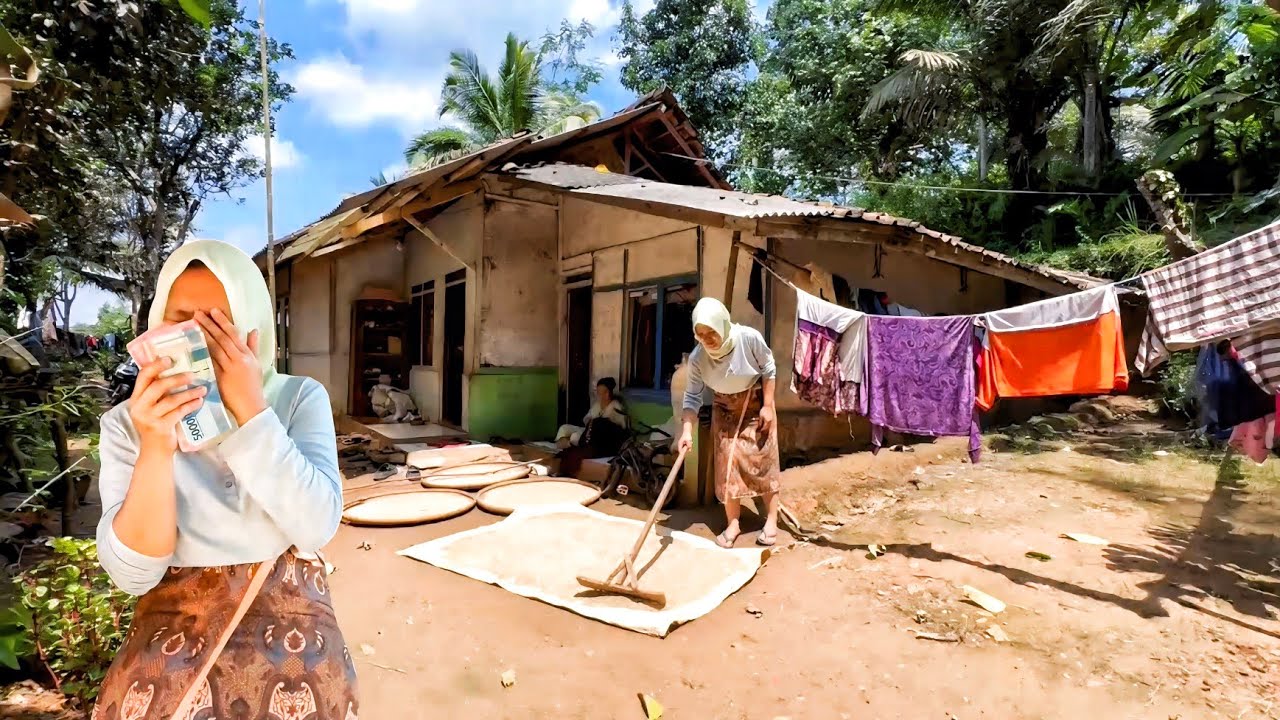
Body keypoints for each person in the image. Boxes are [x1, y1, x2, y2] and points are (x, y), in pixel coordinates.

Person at [93, 240, 357, 719]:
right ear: (156, 324)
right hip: (174, 632)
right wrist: (155, 446)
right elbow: (133, 576)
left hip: (291, 620)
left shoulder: (298, 398)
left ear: (252, 326)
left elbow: (317, 527)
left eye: (218, 322)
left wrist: (251, 412)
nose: (195, 337)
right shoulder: (127, 425)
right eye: (180, 319)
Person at [677, 297, 782, 548]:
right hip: (724, 409)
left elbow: (769, 368)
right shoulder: (698, 358)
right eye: (700, 334)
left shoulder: (748, 338)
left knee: (763, 462)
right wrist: (687, 432)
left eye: (711, 332)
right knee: (727, 465)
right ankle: (733, 523)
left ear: (722, 324)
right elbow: (692, 397)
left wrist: (768, 405)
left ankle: (771, 520)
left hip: (755, 404)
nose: (707, 339)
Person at [557, 377, 630, 477]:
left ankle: (569, 444)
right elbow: (586, 419)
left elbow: (618, 430)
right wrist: (591, 422)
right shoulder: (597, 405)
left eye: (600, 392)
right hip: (588, 430)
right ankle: (562, 444)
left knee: (575, 437)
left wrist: (598, 423)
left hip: (600, 440)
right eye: (597, 392)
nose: (598, 395)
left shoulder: (616, 407)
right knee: (564, 428)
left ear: (607, 393)